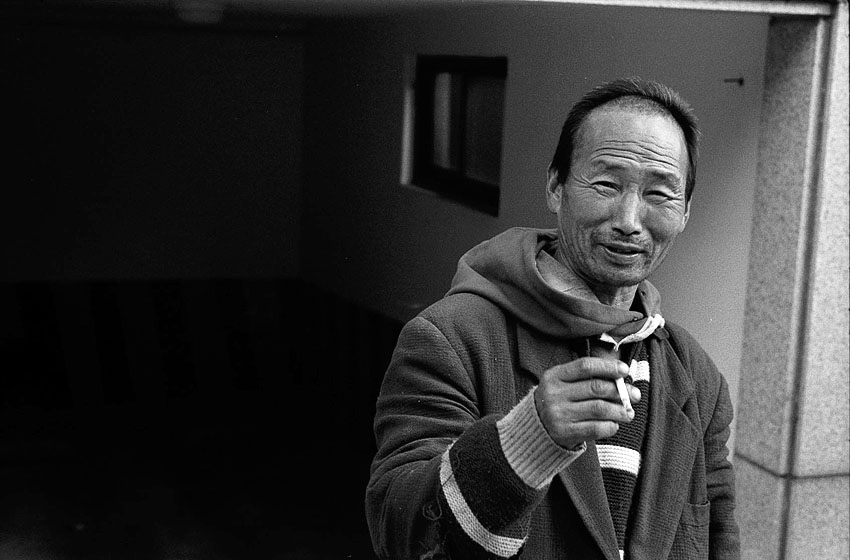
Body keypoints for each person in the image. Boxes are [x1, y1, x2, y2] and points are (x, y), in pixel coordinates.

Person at [365, 77, 739, 560]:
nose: (629, 220)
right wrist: (527, 439)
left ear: (685, 211)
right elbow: (400, 534)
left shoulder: (697, 377)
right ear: (556, 188)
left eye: (659, 194)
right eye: (606, 184)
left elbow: (718, 538)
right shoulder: (451, 338)